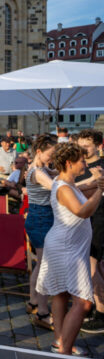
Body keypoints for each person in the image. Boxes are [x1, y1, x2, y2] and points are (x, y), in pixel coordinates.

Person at [37, 143, 104, 355]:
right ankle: (64, 348)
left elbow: (83, 188)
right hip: (66, 248)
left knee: (60, 294)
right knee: (84, 303)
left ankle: (60, 342)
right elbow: (82, 211)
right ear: (69, 163)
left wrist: (97, 181)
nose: (85, 163)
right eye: (81, 161)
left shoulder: (66, 182)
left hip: (67, 245)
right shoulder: (64, 187)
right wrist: (101, 189)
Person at [23, 136, 57, 331]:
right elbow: (59, 188)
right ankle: (43, 311)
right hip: (41, 218)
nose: (52, 158)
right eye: (50, 154)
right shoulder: (37, 172)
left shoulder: (43, 168)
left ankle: (34, 302)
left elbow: (57, 172)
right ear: (39, 152)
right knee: (45, 266)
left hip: (40, 217)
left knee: (41, 263)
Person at [75, 129, 104, 334]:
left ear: (98, 146)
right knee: (95, 268)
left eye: (87, 146)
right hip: (85, 222)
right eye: (81, 145)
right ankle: (95, 306)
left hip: (99, 222)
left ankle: (101, 314)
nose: (83, 149)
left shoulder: (101, 168)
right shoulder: (81, 166)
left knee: (93, 268)